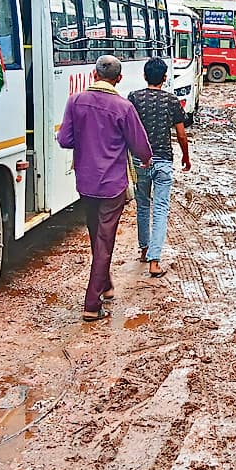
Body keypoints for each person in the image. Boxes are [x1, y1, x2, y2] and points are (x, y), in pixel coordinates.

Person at [57, 56, 153, 322]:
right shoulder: (123, 107)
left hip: (85, 182)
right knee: (105, 240)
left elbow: (65, 140)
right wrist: (146, 159)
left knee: (95, 234)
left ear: (94, 74)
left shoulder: (75, 101)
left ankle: (106, 284)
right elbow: (140, 145)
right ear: (118, 79)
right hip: (112, 185)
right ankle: (91, 303)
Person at [128, 57, 191, 278]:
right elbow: (181, 134)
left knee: (142, 205)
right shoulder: (171, 100)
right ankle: (155, 261)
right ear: (165, 78)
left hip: (140, 159)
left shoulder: (134, 98)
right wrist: (186, 157)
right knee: (161, 209)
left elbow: (127, 128)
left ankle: (144, 250)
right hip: (163, 160)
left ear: (145, 76)